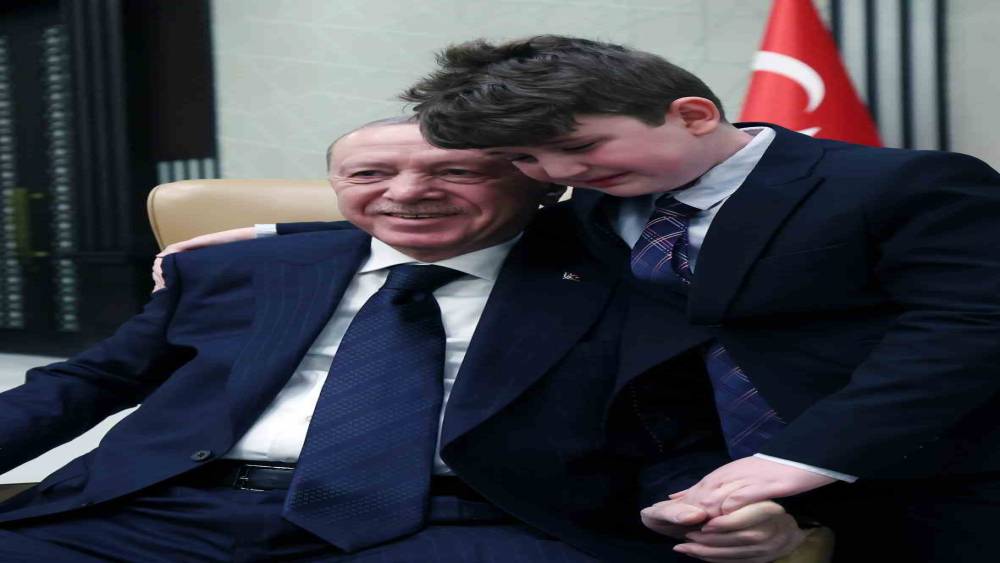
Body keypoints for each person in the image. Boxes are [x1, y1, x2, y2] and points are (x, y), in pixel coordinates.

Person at [199, 35, 1000, 561]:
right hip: (684, 469)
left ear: (692, 114)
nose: (554, 173)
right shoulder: (593, 199)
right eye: (526, 158)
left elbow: (967, 330)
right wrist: (274, 233)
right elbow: (470, 220)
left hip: (923, 469)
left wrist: (801, 458)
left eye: (575, 146)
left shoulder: (902, 184)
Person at [0, 118, 808, 562]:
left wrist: (729, 507)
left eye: (456, 171)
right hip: (165, 509)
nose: (409, 192)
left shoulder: (624, 283)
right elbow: (87, 382)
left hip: (464, 523)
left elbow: (670, 431)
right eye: (370, 174)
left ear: (539, 186)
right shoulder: (238, 270)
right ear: (337, 188)